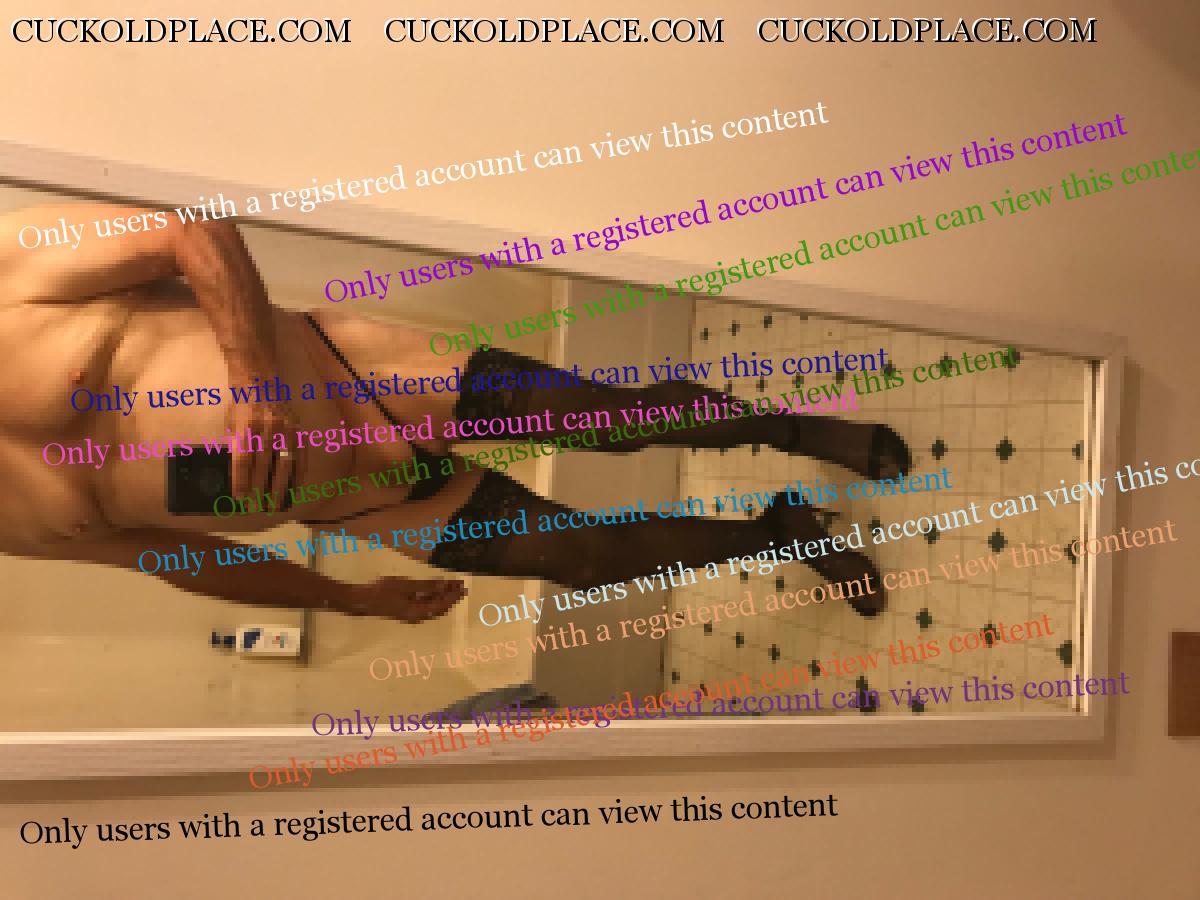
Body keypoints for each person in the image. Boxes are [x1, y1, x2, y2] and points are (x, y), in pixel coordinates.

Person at [0, 204, 910, 623]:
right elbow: (173, 558)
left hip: (359, 377)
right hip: (359, 506)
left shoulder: (9, 279)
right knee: (586, 561)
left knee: (614, 421)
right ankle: (783, 533)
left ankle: (796, 431)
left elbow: (189, 229)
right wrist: (346, 600)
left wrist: (254, 381)